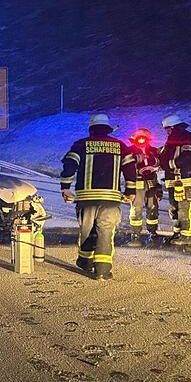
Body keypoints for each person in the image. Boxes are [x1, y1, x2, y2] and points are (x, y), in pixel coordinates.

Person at [60, 114, 137, 280]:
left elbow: (69, 166)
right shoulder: (121, 146)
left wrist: (65, 188)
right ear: (108, 129)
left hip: (86, 199)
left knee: (87, 231)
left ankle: (85, 262)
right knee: (106, 233)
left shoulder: (81, 145)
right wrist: (130, 192)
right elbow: (130, 169)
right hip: (110, 200)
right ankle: (102, 270)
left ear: (91, 129)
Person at [159, 115, 191, 246]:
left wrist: (167, 164)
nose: (166, 132)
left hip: (186, 181)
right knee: (175, 208)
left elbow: (187, 158)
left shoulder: (188, 138)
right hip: (172, 181)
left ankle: (188, 238)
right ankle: (178, 232)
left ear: (172, 127)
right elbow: (164, 155)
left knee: (186, 209)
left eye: (167, 129)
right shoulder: (171, 140)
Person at [126, 128, 163, 246]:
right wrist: (137, 166)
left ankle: (153, 232)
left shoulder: (153, 151)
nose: (142, 141)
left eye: (144, 138)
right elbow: (126, 165)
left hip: (152, 183)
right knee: (136, 209)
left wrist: (153, 163)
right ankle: (136, 235)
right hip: (137, 184)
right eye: (139, 138)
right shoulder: (130, 151)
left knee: (153, 208)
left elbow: (161, 163)